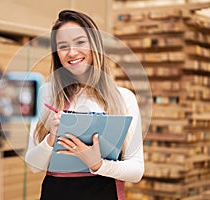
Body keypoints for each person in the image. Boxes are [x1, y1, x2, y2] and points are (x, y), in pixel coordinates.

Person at [25, 9, 144, 200]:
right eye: (63, 46)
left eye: (80, 42)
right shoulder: (47, 95)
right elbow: (33, 165)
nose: (72, 52)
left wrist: (98, 164)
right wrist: (51, 138)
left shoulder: (123, 98)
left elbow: (136, 170)